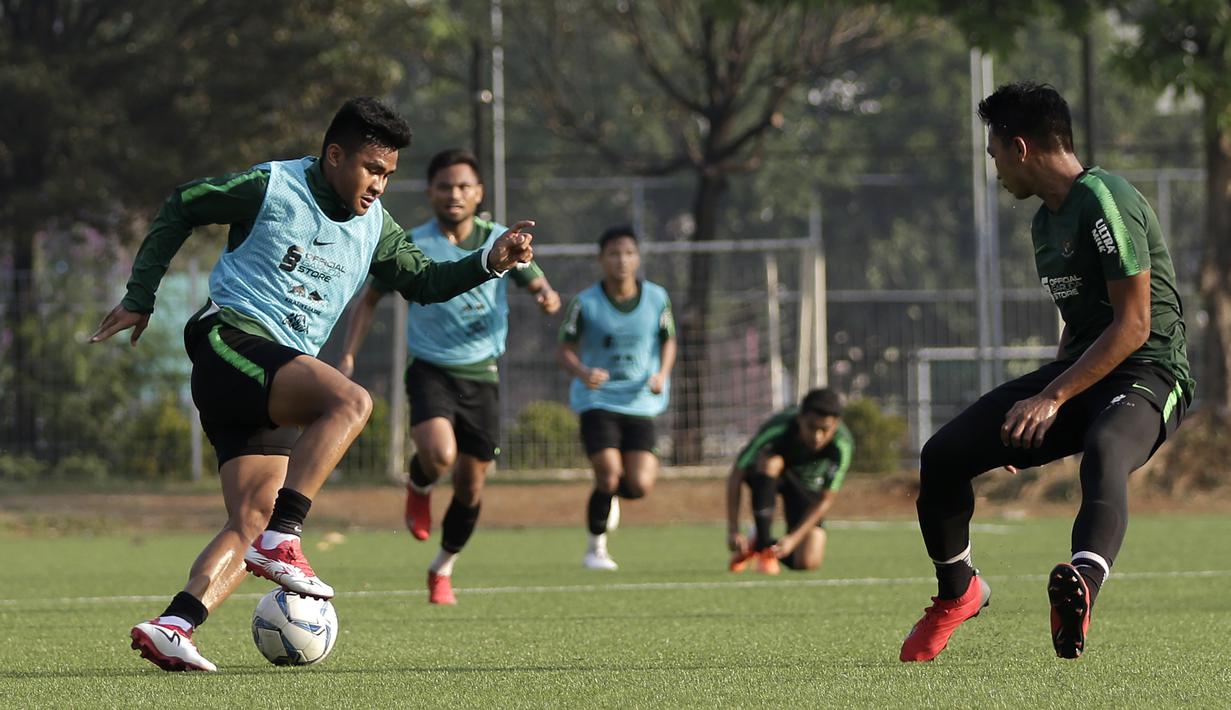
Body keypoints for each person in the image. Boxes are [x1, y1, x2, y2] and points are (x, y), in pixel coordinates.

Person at [89, 97, 536, 672]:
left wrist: (489, 261)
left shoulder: (376, 226)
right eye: (372, 169)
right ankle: (286, 536)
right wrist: (139, 296)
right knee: (351, 401)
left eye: (389, 174)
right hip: (231, 341)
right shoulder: (272, 186)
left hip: (269, 380)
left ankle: (175, 624)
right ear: (334, 156)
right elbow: (184, 203)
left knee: (250, 518)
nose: (379, 184)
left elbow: (424, 282)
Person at [900, 82, 1192, 663]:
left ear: (1021, 148)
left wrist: (1050, 399)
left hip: (1152, 372)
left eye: (994, 154)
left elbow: (1133, 327)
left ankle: (1081, 583)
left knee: (1107, 448)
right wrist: (1039, 411)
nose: (995, 168)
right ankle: (959, 593)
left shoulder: (1105, 200)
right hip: (1082, 371)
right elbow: (1082, 322)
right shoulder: (1045, 223)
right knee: (944, 456)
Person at [337, 148, 561, 606]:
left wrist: (546, 294)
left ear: (479, 193)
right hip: (431, 369)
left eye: (463, 186)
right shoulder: (410, 242)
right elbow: (369, 299)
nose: (454, 194)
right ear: (430, 192)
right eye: (445, 186)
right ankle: (419, 484)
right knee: (439, 454)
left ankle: (442, 568)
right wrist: (348, 356)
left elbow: (534, 278)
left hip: (482, 374)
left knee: (471, 484)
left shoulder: (500, 238)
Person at [556, 226, 676, 570]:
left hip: (641, 401)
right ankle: (596, 550)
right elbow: (564, 349)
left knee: (638, 485)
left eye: (628, 253)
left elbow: (669, 339)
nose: (621, 260)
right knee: (608, 476)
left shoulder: (657, 298)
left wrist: (662, 374)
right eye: (613, 253)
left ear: (637, 258)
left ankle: (610, 499)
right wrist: (582, 372)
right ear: (601, 259)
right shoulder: (586, 302)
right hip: (599, 401)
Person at [725, 388, 853, 575]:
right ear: (800, 418)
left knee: (808, 561)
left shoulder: (843, 445)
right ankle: (763, 546)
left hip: (806, 487)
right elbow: (737, 473)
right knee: (771, 462)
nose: (817, 436)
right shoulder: (779, 426)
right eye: (811, 427)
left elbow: (825, 499)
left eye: (824, 430)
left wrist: (793, 539)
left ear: (836, 425)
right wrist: (733, 530)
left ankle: (762, 545)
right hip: (769, 477)